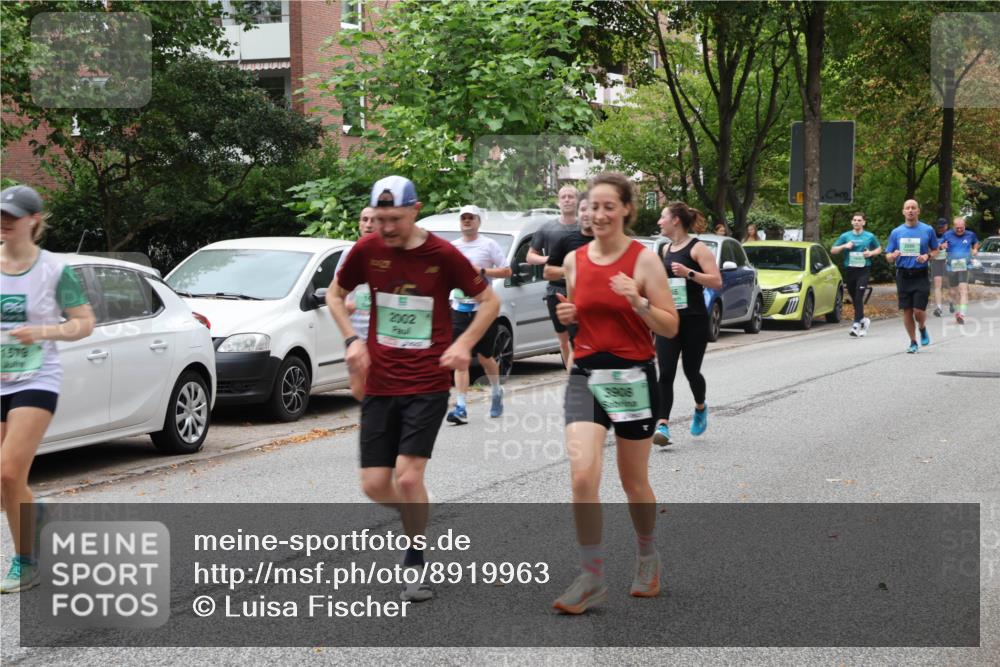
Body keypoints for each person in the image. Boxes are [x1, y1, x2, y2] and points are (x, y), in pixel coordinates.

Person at [327, 176, 500, 602]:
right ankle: (417, 509)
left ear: (416, 210)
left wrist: (463, 343)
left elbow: (489, 302)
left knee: (407, 477)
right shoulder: (367, 250)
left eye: (395, 219)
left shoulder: (442, 254)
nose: (386, 227)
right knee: (373, 485)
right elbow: (335, 295)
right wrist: (352, 339)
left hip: (426, 381)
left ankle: (416, 560)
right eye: (380, 219)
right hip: (380, 383)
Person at [551, 172, 679, 614]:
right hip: (586, 373)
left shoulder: (644, 261)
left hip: (631, 376)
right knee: (583, 475)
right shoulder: (574, 260)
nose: (598, 214)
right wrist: (568, 317)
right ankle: (591, 576)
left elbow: (670, 325)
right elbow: (577, 317)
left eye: (609, 206)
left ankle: (647, 557)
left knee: (633, 481)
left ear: (626, 209)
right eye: (593, 206)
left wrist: (638, 302)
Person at [1, 185, 95, 593]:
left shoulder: (56, 270)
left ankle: (26, 561)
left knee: (8, 470)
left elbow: (84, 322)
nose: (4, 221)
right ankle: (34, 517)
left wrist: (42, 330)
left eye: (13, 215)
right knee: (5, 481)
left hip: (38, 378)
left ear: (34, 219)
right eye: (1, 213)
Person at [652, 203, 722, 447]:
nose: (659, 221)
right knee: (666, 372)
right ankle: (662, 426)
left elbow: (716, 282)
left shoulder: (698, 248)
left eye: (663, 217)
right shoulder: (665, 249)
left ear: (675, 221)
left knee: (691, 371)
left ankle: (701, 407)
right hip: (669, 319)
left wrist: (688, 273)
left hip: (694, 319)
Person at [445, 205, 511, 424]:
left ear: (478, 221)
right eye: (463, 218)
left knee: (485, 357)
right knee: (460, 358)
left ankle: (496, 390)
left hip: (483, 310)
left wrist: (481, 272)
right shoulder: (453, 248)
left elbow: (506, 270)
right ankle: (461, 406)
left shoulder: (488, 244)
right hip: (459, 308)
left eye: (471, 218)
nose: (467, 221)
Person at [527, 184, 580, 369]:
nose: (567, 200)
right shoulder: (547, 228)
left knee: (579, 337)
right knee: (563, 339)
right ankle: (570, 374)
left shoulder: (585, 227)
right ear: (558, 202)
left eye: (570, 197)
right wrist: (549, 258)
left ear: (577, 201)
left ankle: (582, 374)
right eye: (563, 197)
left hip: (580, 288)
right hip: (555, 289)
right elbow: (530, 256)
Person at [544, 195, 594, 363]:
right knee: (572, 343)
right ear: (578, 214)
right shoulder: (567, 240)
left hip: (595, 301)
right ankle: (573, 381)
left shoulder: (607, 242)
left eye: (591, 209)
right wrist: (569, 271)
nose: (586, 214)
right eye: (582, 209)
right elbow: (547, 272)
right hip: (568, 299)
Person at [884, 199, 938, 353]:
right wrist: (892, 256)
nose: (910, 210)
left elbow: (936, 250)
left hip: (920, 274)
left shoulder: (927, 230)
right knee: (907, 310)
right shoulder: (896, 232)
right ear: (903, 211)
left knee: (918, 310)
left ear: (918, 211)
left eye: (913, 208)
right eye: (907, 208)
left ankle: (922, 327)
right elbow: (887, 256)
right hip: (903, 275)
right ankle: (913, 341)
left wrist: (927, 256)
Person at [335, 206, 377, 400]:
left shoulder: (389, 254)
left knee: (375, 383)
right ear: (359, 224)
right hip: (356, 332)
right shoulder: (348, 254)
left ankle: (376, 423)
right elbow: (335, 294)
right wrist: (347, 307)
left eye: (373, 220)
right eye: (364, 219)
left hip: (381, 333)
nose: (368, 224)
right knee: (357, 386)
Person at [831, 212, 882, 337]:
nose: (856, 222)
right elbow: (833, 250)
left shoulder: (869, 236)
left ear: (863, 222)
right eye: (854, 220)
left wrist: (870, 253)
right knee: (855, 299)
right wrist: (844, 246)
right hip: (850, 270)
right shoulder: (845, 236)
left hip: (863, 270)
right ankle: (864, 320)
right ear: (851, 222)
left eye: (859, 220)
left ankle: (856, 325)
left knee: (859, 297)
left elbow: (879, 248)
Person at [939, 216, 980, 325]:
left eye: (961, 228)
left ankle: (962, 314)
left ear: (964, 226)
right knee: (953, 292)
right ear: (953, 226)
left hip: (964, 266)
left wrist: (975, 249)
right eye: (957, 228)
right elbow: (939, 246)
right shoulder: (947, 234)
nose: (959, 230)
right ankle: (957, 311)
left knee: (963, 290)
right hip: (951, 267)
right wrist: (942, 246)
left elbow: (976, 242)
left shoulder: (970, 234)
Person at [930, 218, 950, 317]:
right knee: (938, 285)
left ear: (946, 226)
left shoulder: (951, 235)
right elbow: (929, 249)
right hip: (937, 261)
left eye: (943, 227)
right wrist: (940, 246)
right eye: (939, 227)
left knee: (949, 284)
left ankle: (952, 301)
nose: (941, 229)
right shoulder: (932, 235)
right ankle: (939, 308)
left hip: (948, 262)